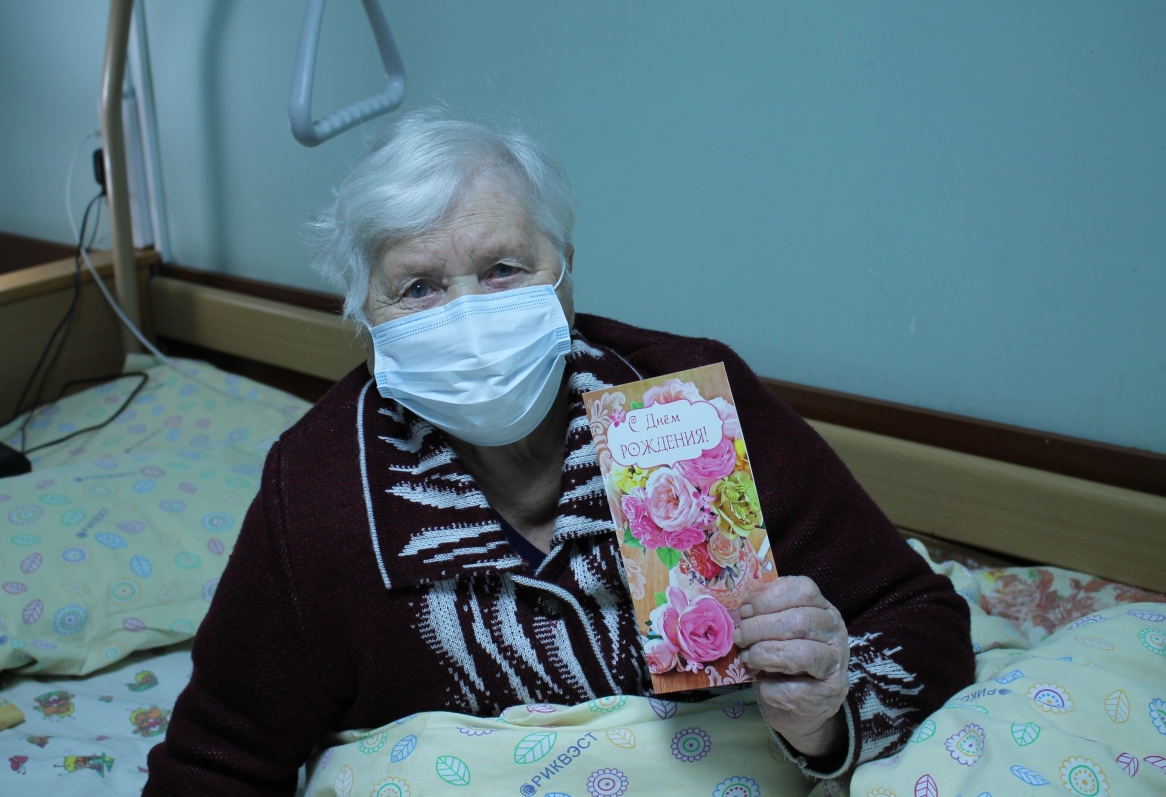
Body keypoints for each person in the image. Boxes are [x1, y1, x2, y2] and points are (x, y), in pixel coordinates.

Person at [145, 110, 973, 795]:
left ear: (567, 276)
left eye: (504, 268)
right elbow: (220, 759)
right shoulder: (318, 488)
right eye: (418, 287)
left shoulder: (688, 401)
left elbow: (920, 621)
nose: (469, 316)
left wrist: (824, 716)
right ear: (363, 318)